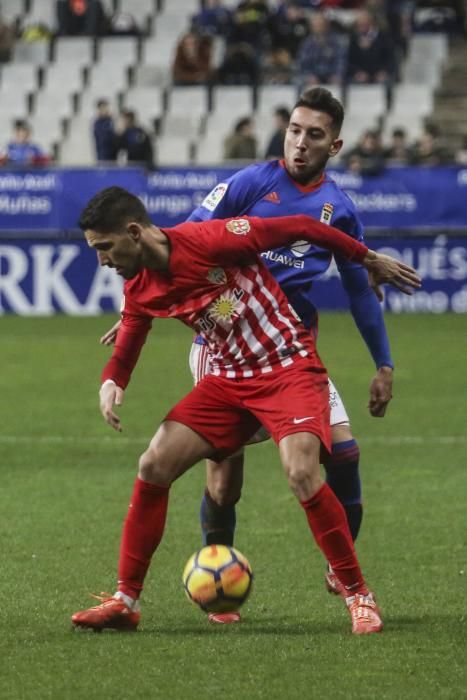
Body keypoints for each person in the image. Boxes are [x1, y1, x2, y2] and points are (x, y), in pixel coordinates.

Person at [99, 88, 409, 624]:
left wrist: (383, 360)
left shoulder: (339, 208)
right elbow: (190, 234)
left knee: (339, 456)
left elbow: (357, 287)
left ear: (333, 144)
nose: (299, 142)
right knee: (220, 481)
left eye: (313, 134)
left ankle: (350, 583)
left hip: (289, 350)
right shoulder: (251, 184)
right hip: (222, 352)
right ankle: (199, 593)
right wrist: (140, 300)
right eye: (293, 130)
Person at [92, 99, 117, 163]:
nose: (105, 110)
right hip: (103, 156)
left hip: (113, 155)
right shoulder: (97, 123)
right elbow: (103, 138)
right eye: (103, 108)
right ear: (99, 109)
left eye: (106, 107)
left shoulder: (111, 121)